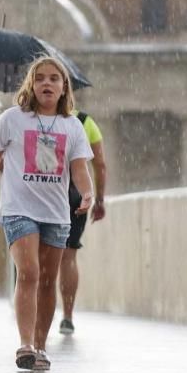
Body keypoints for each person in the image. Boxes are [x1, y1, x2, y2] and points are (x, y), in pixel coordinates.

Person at [0, 56, 94, 371]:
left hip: (56, 212)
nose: (47, 83)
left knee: (49, 280)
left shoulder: (72, 125)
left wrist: (88, 192)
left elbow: (79, 168)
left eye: (54, 78)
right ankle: (24, 344)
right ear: (31, 85)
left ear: (64, 88)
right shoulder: (12, 119)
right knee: (30, 272)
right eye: (40, 78)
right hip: (19, 209)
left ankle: (40, 345)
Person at [59, 110, 108, 334]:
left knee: (42, 256)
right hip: (76, 194)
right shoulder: (86, 122)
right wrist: (99, 199)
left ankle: (39, 313)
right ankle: (67, 317)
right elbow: (100, 164)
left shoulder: (40, 117)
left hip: (48, 193)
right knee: (69, 255)